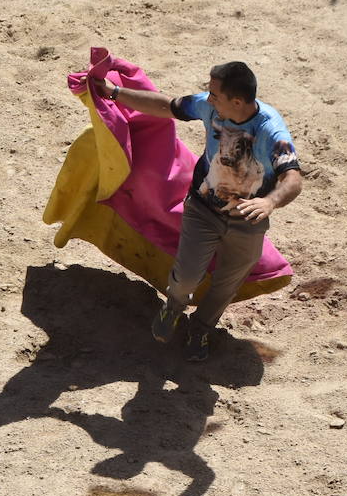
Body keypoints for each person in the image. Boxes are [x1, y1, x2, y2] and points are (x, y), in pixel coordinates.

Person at [94, 61, 303, 361]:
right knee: (186, 277)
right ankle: (174, 307)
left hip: (246, 220)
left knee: (228, 284)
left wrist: (269, 202)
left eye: (214, 94)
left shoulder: (271, 131)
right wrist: (115, 93)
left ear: (237, 102)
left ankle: (201, 329)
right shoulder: (210, 107)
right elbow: (168, 106)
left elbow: (293, 179)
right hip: (203, 208)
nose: (208, 97)